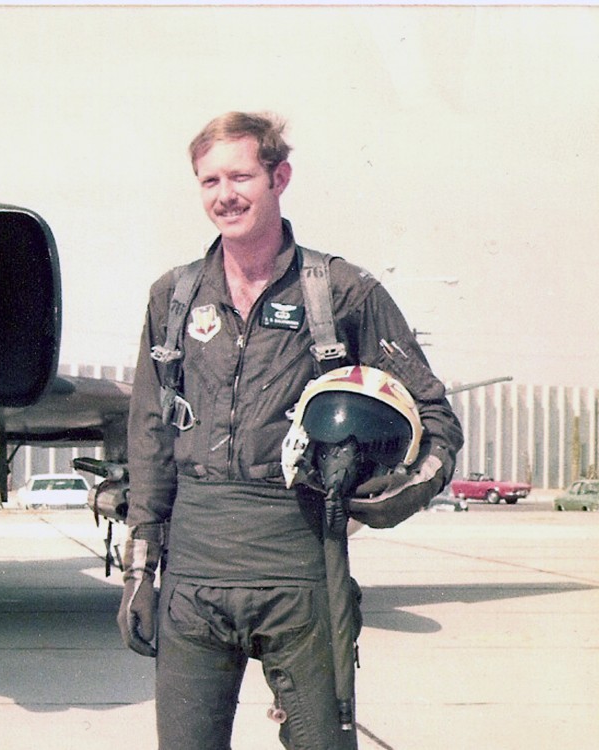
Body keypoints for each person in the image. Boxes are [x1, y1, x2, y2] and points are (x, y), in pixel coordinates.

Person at [119, 111, 463, 750]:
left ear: (280, 177)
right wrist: (141, 568)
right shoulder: (173, 299)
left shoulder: (341, 292)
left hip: (300, 571)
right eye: (209, 181)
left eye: (242, 176)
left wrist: (395, 497)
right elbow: (148, 439)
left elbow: (438, 419)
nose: (225, 195)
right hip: (193, 578)